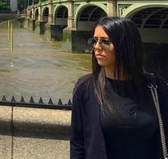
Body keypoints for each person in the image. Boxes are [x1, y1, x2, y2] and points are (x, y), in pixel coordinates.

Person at [70, 16, 168, 158]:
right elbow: (78, 145)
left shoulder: (155, 87)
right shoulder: (85, 88)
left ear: (126, 45)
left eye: (105, 42)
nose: (97, 47)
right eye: (94, 41)